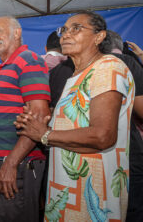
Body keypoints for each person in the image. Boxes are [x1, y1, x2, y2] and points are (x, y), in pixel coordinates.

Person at [15, 11, 134, 221]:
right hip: (67, 187)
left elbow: (102, 136)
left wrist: (45, 134)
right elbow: (75, 123)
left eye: (76, 28)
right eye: (64, 29)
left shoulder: (107, 67)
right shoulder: (74, 75)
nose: (65, 35)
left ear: (99, 36)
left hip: (95, 192)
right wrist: (35, 122)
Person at [49, 29, 143, 221]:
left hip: (68, 162)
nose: (66, 36)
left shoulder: (58, 70)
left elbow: (51, 116)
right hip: (118, 159)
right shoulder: (124, 62)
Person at [0, 16, 51, 222]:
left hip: (17, 162)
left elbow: (40, 117)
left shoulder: (27, 60)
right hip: (0, 161)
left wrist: (11, 163)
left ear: (17, 33)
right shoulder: (5, 66)